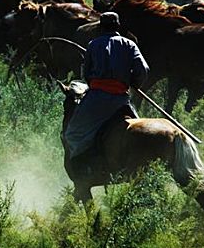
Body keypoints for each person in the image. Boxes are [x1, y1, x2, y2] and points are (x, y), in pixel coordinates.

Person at [64, 11, 150, 178]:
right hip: (122, 100)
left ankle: (84, 169)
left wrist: (94, 85)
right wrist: (132, 83)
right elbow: (143, 70)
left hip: (97, 98)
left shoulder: (93, 44)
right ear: (117, 26)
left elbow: (86, 73)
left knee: (73, 133)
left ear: (101, 27)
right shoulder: (130, 44)